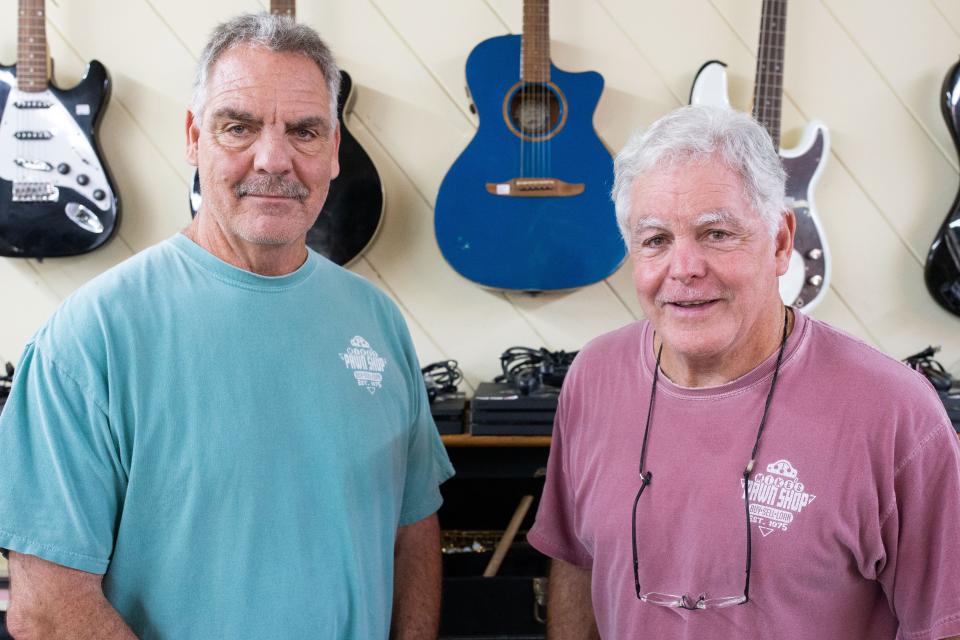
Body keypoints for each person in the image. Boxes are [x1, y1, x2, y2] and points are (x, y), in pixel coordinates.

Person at [0, 13, 454, 639]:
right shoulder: (90, 338)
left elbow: (413, 530)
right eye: (238, 127)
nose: (274, 159)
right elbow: (48, 608)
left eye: (305, 131)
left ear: (335, 151)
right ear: (192, 138)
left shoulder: (376, 322)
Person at [527, 104, 960, 639]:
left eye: (716, 234)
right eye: (656, 240)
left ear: (780, 242)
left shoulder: (897, 413)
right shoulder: (593, 376)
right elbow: (576, 560)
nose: (684, 268)